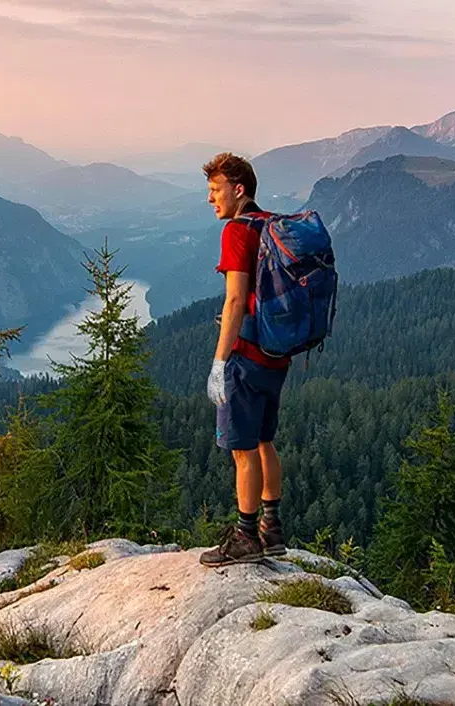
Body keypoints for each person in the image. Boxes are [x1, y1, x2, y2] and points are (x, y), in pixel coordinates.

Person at [199, 152, 290, 567]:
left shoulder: (237, 231)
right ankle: (273, 530)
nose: (210, 199)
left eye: (216, 190)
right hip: (276, 354)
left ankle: (245, 536)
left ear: (238, 190)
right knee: (264, 440)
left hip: (247, 354)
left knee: (242, 450)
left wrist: (220, 363)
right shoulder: (271, 223)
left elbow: (235, 299)